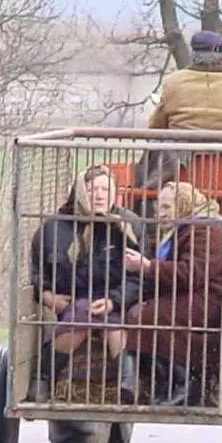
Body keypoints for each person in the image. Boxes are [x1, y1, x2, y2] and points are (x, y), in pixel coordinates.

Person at [30, 165, 141, 400]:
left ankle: (127, 384)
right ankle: (44, 377)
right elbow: (38, 272)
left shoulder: (128, 225)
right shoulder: (54, 227)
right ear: (79, 192)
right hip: (73, 298)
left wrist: (114, 300)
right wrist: (48, 297)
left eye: (105, 189)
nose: (99, 195)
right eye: (91, 190)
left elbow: (139, 276)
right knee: (81, 315)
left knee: (114, 323)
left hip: (114, 298)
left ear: (115, 194)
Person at [123, 181, 222, 406]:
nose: (160, 213)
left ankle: (187, 382)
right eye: (158, 206)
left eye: (167, 207)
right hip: (186, 294)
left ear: (184, 205)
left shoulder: (207, 230)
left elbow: (192, 273)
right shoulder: (182, 229)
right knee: (136, 312)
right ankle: (152, 381)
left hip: (207, 297)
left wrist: (147, 266)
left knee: (152, 316)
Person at [137, 30, 222, 189]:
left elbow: (156, 126)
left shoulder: (173, 81)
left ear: (194, 54)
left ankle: (141, 199)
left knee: (148, 166)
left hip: (177, 167)